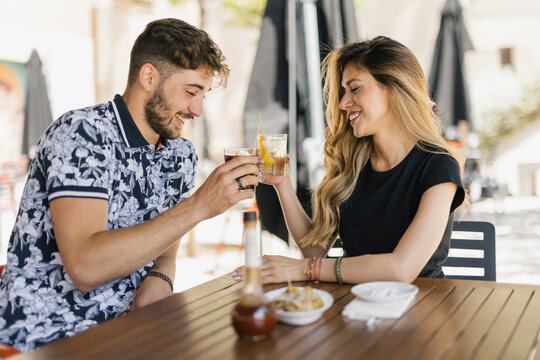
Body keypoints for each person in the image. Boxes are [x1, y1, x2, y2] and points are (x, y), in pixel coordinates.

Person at [0, 18, 260, 352]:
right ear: (149, 77)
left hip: (132, 330)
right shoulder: (82, 134)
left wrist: (161, 278)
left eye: (203, 96)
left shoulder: (180, 155)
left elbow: (166, 252)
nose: (196, 109)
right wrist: (198, 207)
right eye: (191, 92)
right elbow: (85, 267)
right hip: (50, 334)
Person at [232, 36, 466, 285]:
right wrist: (283, 183)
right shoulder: (353, 164)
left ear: (395, 86)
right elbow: (314, 251)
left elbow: (401, 269)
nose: (343, 103)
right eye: (344, 92)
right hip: (355, 305)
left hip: (423, 307)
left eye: (354, 89)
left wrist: (305, 269)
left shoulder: (439, 166)